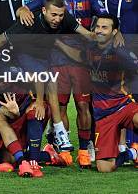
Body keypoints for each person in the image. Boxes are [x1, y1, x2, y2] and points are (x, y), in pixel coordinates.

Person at [21, 0, 105, 166]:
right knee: (59, 104)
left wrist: (106, 35)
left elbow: (105, 19)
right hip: (55, 60)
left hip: (79, 60)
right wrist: (23, 9)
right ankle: (62, 146)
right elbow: (26, 9)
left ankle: (85, 150)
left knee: (83, 105)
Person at [53, 15, 138, 172]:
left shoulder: (121, 53)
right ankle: (132, 153)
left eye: (104, 28)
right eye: (98, 26)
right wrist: (58, 44)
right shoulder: (90, 48)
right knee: (104, 168)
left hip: (123, 106)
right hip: (103, 116)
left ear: (114, 32)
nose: (99, 31)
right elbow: (79, 56)